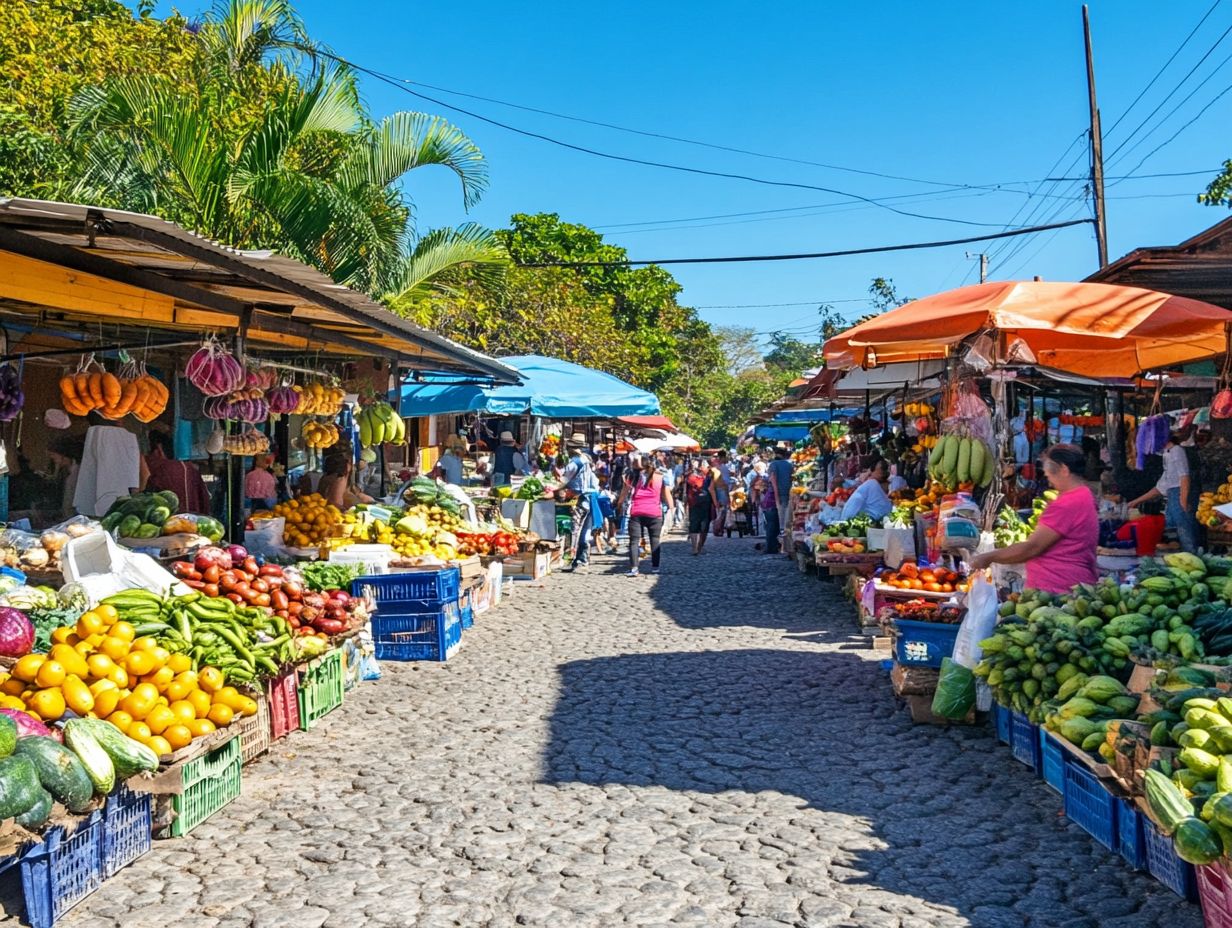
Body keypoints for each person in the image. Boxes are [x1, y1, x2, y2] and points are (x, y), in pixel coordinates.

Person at [971, 443, 1098, 595]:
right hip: (1071, 586)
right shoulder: (1085, 494)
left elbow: (1033, 547)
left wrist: (988, 557)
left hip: (1056, 591)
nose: (1050, 483)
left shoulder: (1067, 503)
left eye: (1049, 476)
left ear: (1064, 470)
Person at [1127, 431, 1199, 552]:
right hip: (1172, 498)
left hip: (1179, 495)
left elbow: (1184, 476)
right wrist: (1135, 501)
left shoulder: (1177, 451)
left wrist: (1183, 500)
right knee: (1172, 531)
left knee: (1185, 532)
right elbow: (1161, 486)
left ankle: (1192, 555)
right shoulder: (1167, 454)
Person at [549, 433, 599, 573]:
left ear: (571, 448)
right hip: (589, 499)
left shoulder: (575, 462)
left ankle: (574, 559)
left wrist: (555, 475)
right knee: (585, 531)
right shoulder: (586, 459)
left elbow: (563, 479)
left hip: (579, 500)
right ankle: (582, 560)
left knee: (575, 530)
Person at [619, 452, 673, 577]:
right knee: (655, 540)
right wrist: (672, 508)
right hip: (654, 512)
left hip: (637, 511)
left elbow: (624, 493)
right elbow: (667, 494)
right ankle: (655, 568)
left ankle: (634, 569)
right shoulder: (660, 476)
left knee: (634, 541)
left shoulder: (632, 477)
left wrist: (619, 504)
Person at [144, 430, 210, 514]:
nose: (148, 459)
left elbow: (144, 501)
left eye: (149, 454)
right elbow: (205, 500)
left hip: (174, 523)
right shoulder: (190, 469)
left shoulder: (161, 470)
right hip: (195, 521)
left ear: (158, 450)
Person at [47, 434, 83, 521]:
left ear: (63, 455)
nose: (51, 458)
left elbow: (70, 506)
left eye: (53, 454)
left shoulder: (77, 475)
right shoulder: (67, 472)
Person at [767, 445, 795, 552]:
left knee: (781, 520)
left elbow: (773, 480)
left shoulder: (773, 465)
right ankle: (785, 545)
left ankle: (783, 546)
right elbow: (792, 478)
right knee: (787, 519)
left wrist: (776, 496)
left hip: (778, 494)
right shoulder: (789, 465)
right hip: (788, 493)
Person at [756, 475, 782, 554]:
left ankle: (771, 548)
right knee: (771, 529)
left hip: (770, 507)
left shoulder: (773, 485)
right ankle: (771, 547)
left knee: (771, 529)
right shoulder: (773, 485)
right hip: (770, 507)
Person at [710, 450, 731, 537]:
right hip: (721, 489)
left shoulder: (716, 466)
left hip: (719, 489)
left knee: (721, 510)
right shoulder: (721, 467)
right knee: (722, 511)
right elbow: (725, 482)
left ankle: (719, 528)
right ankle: (718, 528)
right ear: (723, 457)